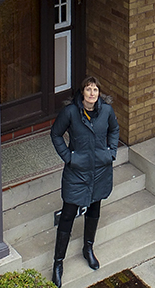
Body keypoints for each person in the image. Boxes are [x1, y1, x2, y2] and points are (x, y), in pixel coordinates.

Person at [48, 76, 119, 287]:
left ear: (99, 93)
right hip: (77, 172)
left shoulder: (106, 111)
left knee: (94, 208)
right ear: (82, 93)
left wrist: (111, 153)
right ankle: (58, 263)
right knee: (68, 214)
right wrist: (69, 157)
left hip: (99, 170)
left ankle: (88, 248)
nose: (92, 93)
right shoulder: (71, 112)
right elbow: (56, 134)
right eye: (88, 89)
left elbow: (114, 130)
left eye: (95, 90)